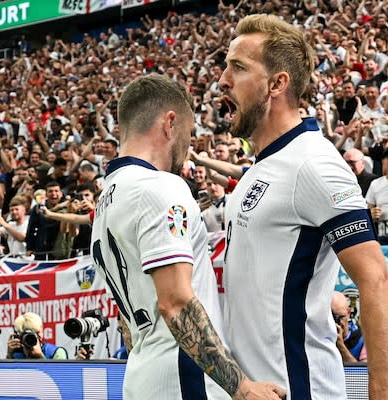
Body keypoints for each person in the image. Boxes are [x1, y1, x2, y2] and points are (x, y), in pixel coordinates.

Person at [218, 14, 388, 399]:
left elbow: (376, 279)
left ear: (277, 83)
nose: (222, 80)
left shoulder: (315, 164)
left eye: (238, 68)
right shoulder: (259, 168)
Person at [91, 74, 284, 399]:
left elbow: (128, 323)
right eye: (189, 133)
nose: (187, 146)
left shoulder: (105, 200)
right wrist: (243, 388)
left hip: (142, 376)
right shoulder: (160, 187)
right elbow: (175, 302)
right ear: (170, 123)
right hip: (185, 380)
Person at [331, 291, 366, 363]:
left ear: (349, 313)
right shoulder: (318, 337)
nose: (338, 322)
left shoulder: (362, 339)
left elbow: (361, 373)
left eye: (341, 317)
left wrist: (340, 345)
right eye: (333, 317)